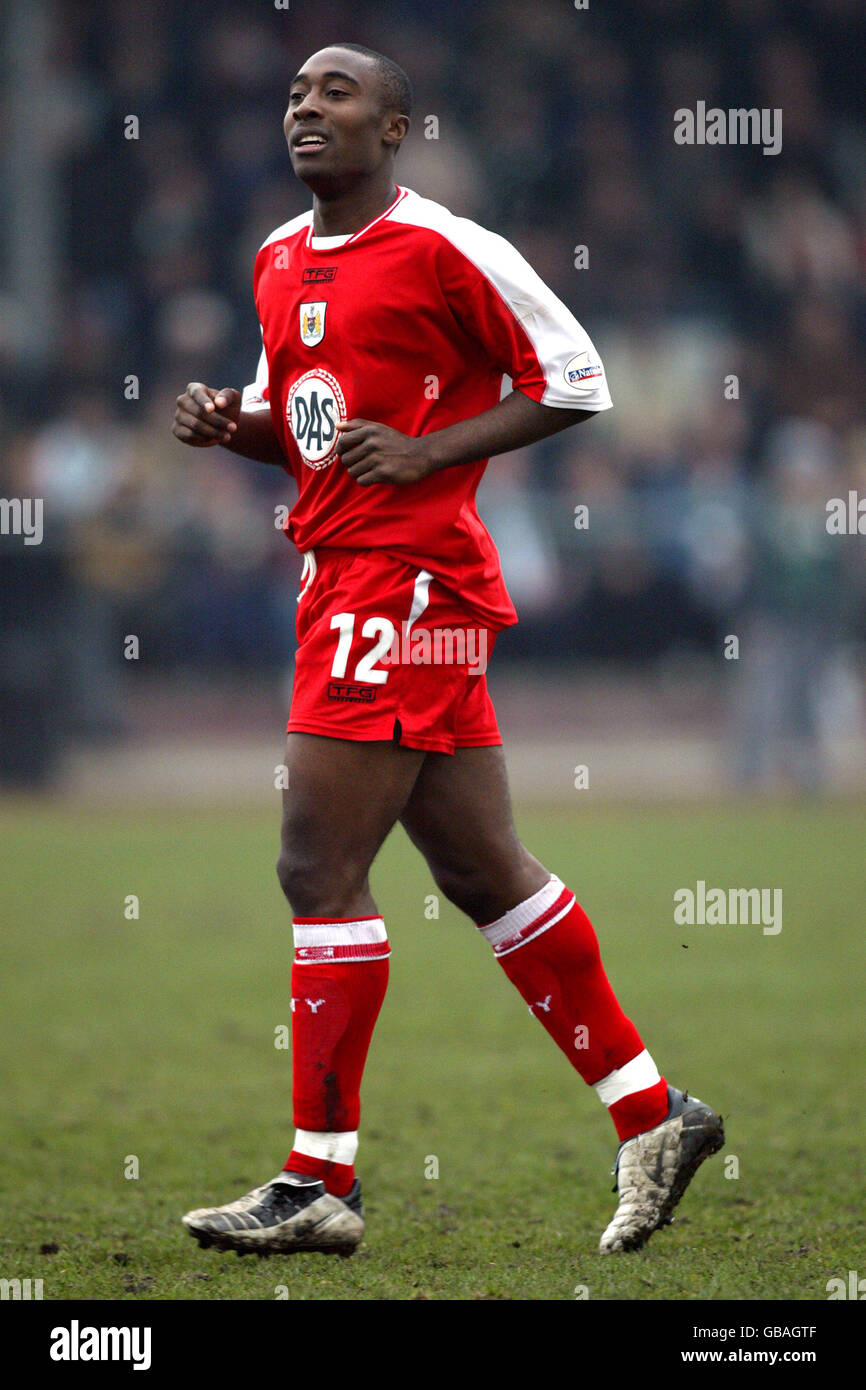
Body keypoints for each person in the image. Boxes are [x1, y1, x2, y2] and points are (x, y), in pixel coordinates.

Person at [173, 42, 723, 1258]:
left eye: (337, 94)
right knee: (483, 873)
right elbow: (311, 431)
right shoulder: (274, 257)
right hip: (347, 580)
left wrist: (431, 453)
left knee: (315, 869)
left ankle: (318, 1178)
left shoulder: (449, 248)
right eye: (295, 95)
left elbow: (574, 381)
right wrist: (235, 429)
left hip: (405, 585)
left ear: (397, 128)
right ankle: (653, 1114)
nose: (306, 109)